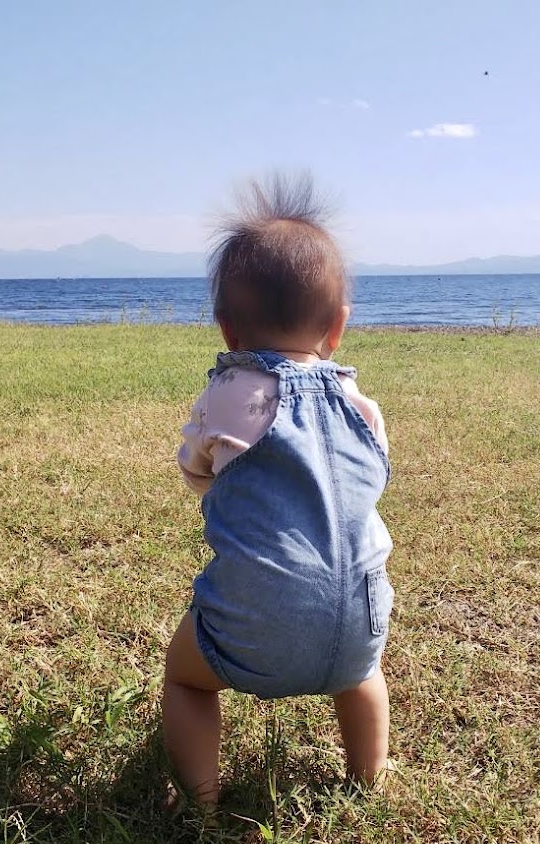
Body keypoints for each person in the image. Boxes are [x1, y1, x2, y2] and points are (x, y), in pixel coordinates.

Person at [163, 174, 394, 809]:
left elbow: (196, 466)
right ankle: (368, 780)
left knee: (186, 678)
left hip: (256, 623)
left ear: (228, 330)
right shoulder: (361, 405)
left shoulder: (232, 395)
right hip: (360, 624)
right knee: (365, 676)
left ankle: (197, 799)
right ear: (338, 327)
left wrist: (210, 480)